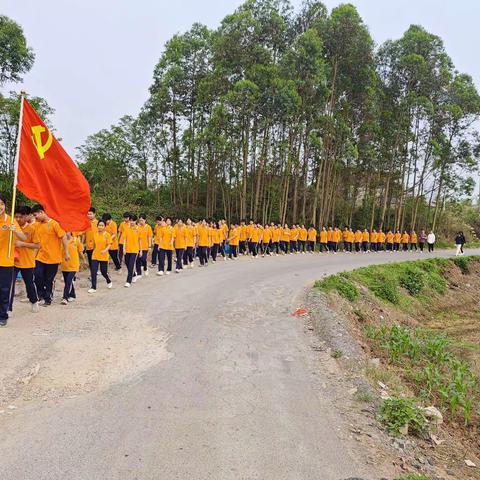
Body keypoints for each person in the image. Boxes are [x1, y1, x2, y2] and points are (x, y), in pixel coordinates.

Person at [31, 204, 69, 306]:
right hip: (40, 257)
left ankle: (48, 298)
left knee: (49, 280)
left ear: (41, 212)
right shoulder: (37, 224)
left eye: (36, 215)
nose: (35, 218)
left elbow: (63, 237)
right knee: (37, 275)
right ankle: (40, 295)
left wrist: (66, 252)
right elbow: (26, 227)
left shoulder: (54, 224)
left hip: (53, 258)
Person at [0, 195, 27, 325]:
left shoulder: (10, 221)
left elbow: (23, 238)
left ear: (5, 206)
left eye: (1, 204)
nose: (0, 207)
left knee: (4, 289)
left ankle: (3, 316)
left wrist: (15, 230)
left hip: (5, 261)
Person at [12, 205, 39, 313]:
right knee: (9, 284)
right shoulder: (12, 226)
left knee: (29, 283)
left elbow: (37, 245)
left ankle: (34, 301)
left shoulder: (32, 228)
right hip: (12, 261)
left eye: (20, 217)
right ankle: (8, 306)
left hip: (27, 261)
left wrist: (22, 244)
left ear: (26, 216)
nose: (18, 219)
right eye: (16, 217)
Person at [89, 219, 112, 293]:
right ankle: (93, 287)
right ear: (97, 226)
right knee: (93, 271)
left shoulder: (107, 235)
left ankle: (108, 280)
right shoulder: (95, 234)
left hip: (104, 255)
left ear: (105, 226)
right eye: (99, 225)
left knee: (103, 272)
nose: (100, 227)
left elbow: (109, 244)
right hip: (95, 255)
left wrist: (105, 250)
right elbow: (93, 244)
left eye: (102, 225)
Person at [60, 232, 84, 304]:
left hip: (74, 265)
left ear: (71, 231)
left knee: (68, 281)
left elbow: (80, 252)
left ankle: (65, 297)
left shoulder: (76, 240)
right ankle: (72, 295)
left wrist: (84, 260)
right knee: (67, 281)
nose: (65, 232)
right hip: (64, 265)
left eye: (66, 231)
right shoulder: (61, 241)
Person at [122, 214, 139, 287]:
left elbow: (140, 240)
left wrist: (140, 250)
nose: (132, 222)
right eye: (131, 221)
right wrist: (123, 248)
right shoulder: (127, 229)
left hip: (135, 250)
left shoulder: (138, 229)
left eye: (133, 221)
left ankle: (128, 281)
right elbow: (124, 239)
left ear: (136, 221)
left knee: (131, 265)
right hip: (127, 249)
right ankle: (134, 274)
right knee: (127, 263)